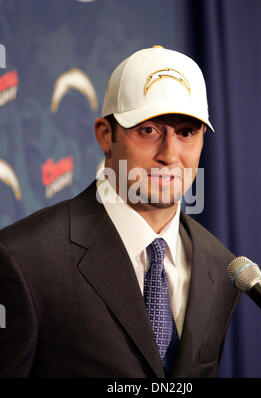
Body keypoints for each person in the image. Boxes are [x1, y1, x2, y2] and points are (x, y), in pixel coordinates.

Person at [0, 46, 239, 378]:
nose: (170, 154)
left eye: (186, 132)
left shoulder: (221, 267)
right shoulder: (25, 259)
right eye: (148, 130)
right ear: (105, 135)